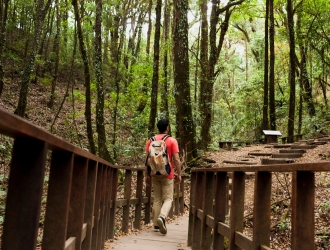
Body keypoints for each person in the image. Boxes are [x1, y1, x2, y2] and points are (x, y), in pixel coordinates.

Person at [145, 118, 181, 235]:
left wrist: (147, 175)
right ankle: (162, 217)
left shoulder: (150, 141)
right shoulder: (172, 141)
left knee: (157, 199)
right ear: (167, 128)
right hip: (167, 174)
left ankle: (156, 225)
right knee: (168, 198)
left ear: (158, 128)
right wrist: (179, 174)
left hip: (154, 173)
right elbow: (176, 159)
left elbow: (147, 160)